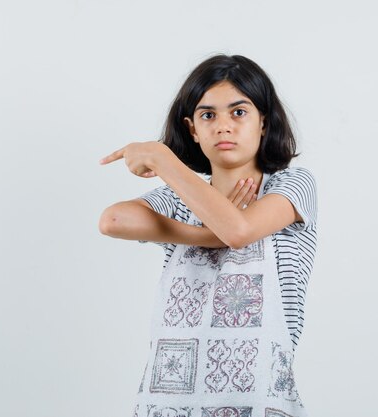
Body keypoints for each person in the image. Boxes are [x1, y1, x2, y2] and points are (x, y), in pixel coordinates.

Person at [98, 54, 318, 417]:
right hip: (171, 401)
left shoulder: (291, 185)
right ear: (193, 129)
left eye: (239, 112)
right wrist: (208, 234)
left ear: (264, 121)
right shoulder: (179, 199)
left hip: (259, 401)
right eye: (208, 115)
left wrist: (161, 158)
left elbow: (239, 230)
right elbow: (113, 220)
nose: (223, 126)